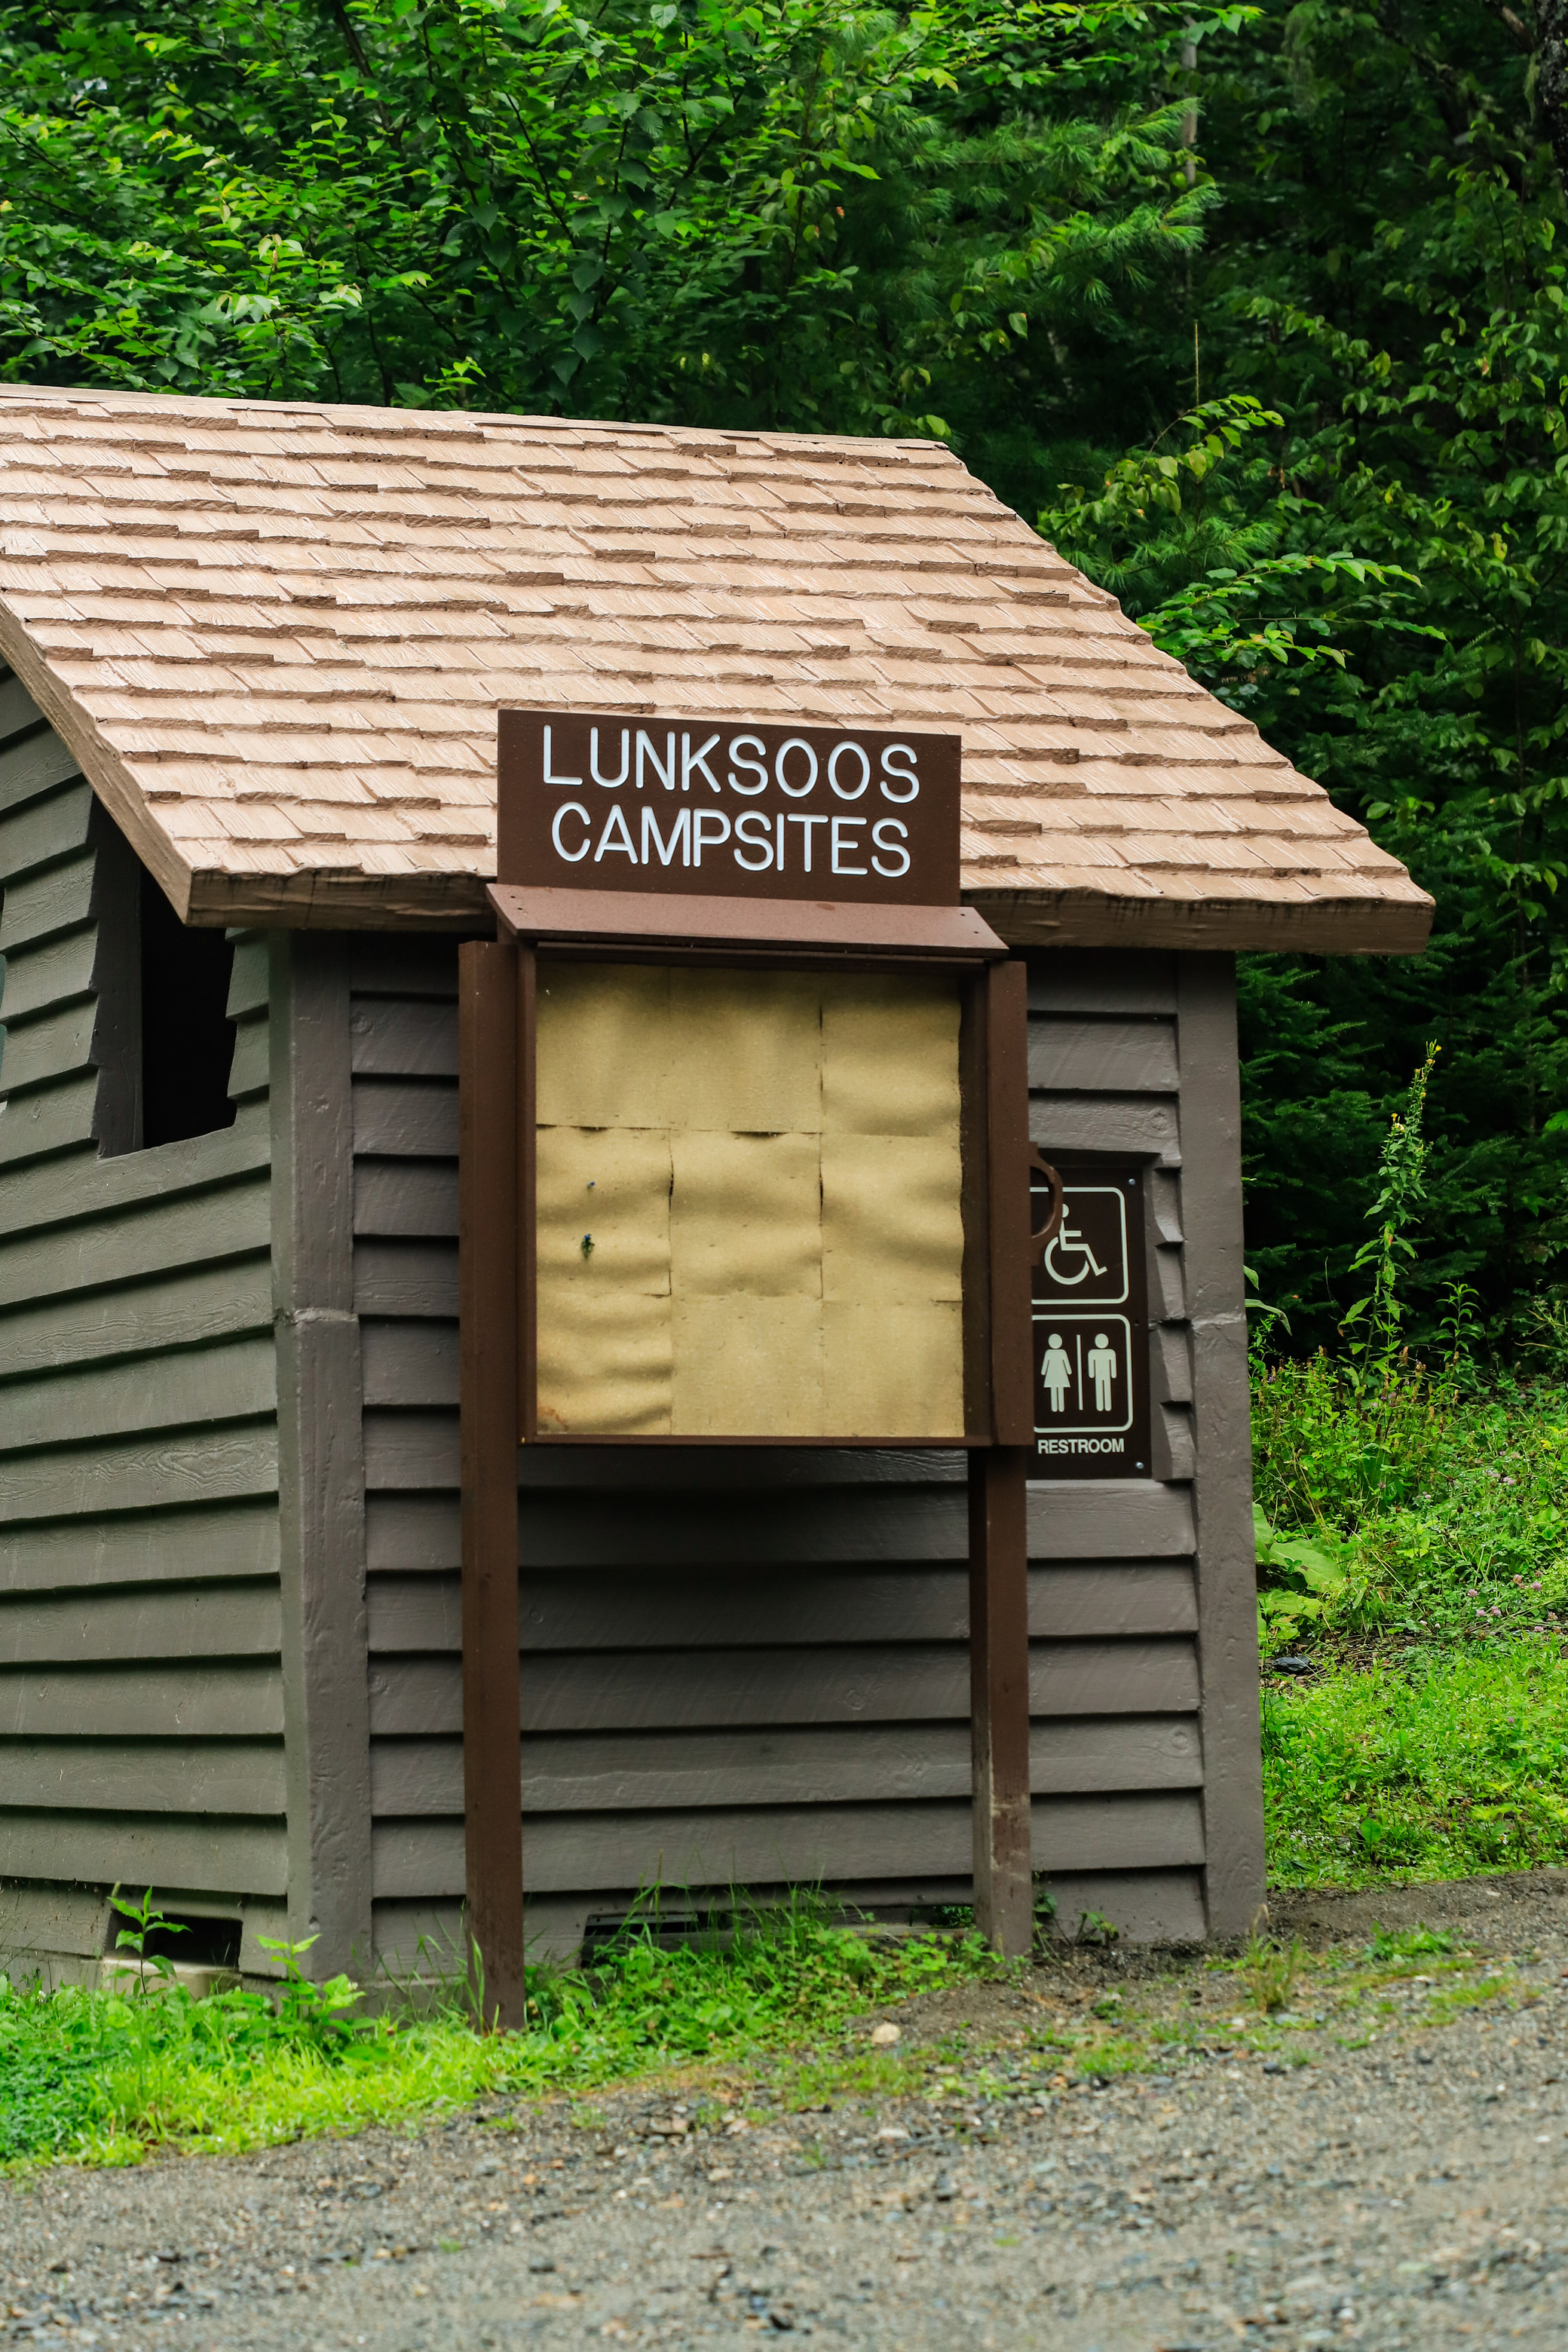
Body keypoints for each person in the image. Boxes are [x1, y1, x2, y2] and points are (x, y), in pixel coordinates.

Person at [1040, 1332, 1073, 1413]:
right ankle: (1057, 1408)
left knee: (1056, 1390)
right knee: (1056, 1390)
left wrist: (1044, 1372)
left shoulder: (1058, 1353)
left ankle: (1058, 1407)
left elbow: (1066, 1363)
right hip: (1057, 1374)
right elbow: (1046, 1364)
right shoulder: (1054, 1353)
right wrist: (1069, 1371)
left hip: (1055, 1374)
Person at [1087, 1332, 1116, 1414]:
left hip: (1105, 1374)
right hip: (1099, 1374)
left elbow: (1112, 1364)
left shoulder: (1110, 1352)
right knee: (1100, 1388)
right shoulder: (1093, 1353)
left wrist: (1113, 1374)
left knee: (1106, 1388)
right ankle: (1100, 1406)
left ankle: (1107, 1406)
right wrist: (1092, 1374)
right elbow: (1091, 1364)